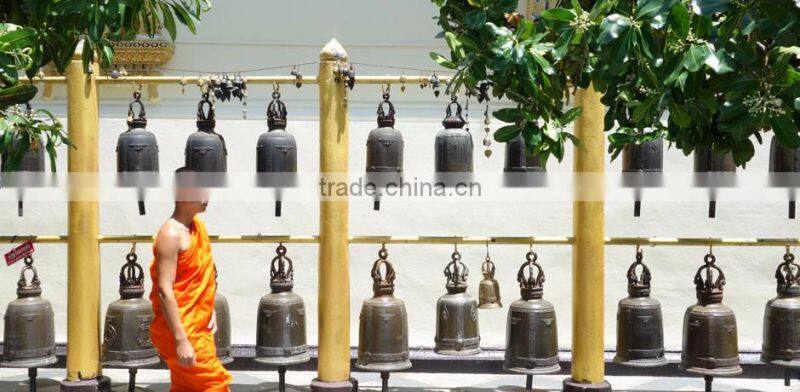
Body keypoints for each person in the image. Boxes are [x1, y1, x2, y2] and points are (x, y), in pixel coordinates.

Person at [149, 167, 232, 391]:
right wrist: (181, 341)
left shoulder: (197, 227)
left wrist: (209, 307)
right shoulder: (171, 235)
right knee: (214, 384)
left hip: (197, 325)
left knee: (186, 387)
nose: (207, 197)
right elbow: (164, 290)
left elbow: (201, 277)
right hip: (182, 330)